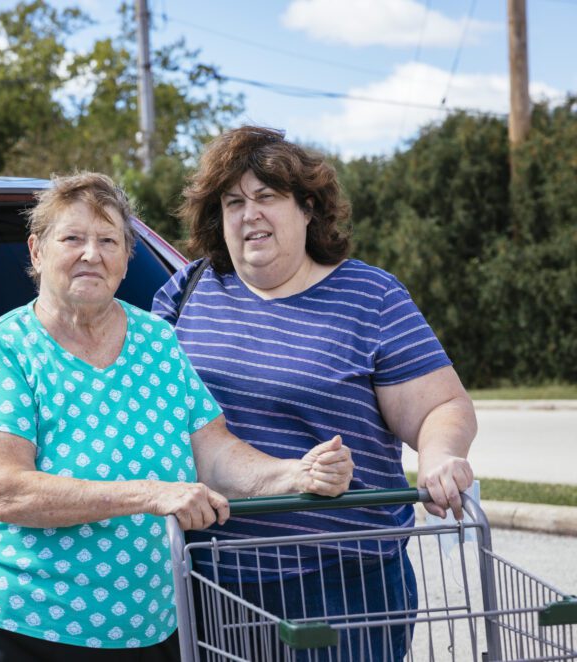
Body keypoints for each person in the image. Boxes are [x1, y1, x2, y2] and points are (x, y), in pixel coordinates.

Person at [0, 172, 354, 661]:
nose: (91, 254)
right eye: (72, 238)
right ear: (37, 251)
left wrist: (294, 473)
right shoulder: (3, 347)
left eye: (108, 240)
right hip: (24, 623)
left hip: (150, 624)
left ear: (125, 258)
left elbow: (213, 451)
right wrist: (150, 493)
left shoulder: (157, 341)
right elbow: (1, 487)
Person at [152, 126, 477, 660]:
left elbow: (441, 405)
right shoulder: (188, 290)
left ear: (307, 208)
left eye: (267, 197)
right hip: (212, 573)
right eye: (233, 202)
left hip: (343, 581)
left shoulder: (368, 296)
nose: (248, 214)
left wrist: (442, 457)